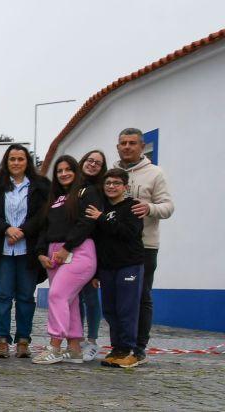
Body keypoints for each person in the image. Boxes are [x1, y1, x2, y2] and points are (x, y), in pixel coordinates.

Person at [0, 144, 50, 358]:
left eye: (20, 159)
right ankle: (1, 340)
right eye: (12, 159)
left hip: (28, 250)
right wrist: (6, 229)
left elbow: (43, 214)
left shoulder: (40, 185)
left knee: (26, 297)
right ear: (6, 161)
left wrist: (23, 231)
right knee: (2, 296)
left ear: (27, 162)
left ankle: (23, 340)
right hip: (2, 250)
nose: (16, 163)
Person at [32, 155, 102, 364]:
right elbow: (45, 227)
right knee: (69, 302)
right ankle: (74, 348)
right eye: (59, 171)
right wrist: (41, 253)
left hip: (79, 251)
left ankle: (54, 346)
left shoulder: (87, 192)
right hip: (53, 253)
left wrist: (67, 247)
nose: (64, 174)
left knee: (57, 295)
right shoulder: (54, 198)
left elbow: (86, 222)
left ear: (76, 170)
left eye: (68, 169)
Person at [114, 127, 173, 365]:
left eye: (132, 143)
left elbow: (168, 207)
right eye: (123, 143)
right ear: (118, 147)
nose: (127, 147)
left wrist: (150, 208)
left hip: (144, 246)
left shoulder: (155, 173)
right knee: (117, 299)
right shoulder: (112, 173)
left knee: (141, 297)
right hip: (115, 246)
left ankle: (139, 348)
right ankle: (120, 346)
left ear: (142, 146)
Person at [85, 169, 145, 368]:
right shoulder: (101, 207)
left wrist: (102, 218)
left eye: (116, 183)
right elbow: (98, 242)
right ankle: (117, 348)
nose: (111, 186)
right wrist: (96, 272)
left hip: (129, 265)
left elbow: (129, 232)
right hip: (107, 268)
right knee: (110, 310)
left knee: (127, 309)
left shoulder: (132, 207)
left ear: (125, 187)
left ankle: (131, 350)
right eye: (108, 183)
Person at [78, 149, 108, 361]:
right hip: (72, 247)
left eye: (98, 163)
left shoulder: (100, 190)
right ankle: (78, 338)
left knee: (90, 296)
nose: (92, 164)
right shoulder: (73, 186)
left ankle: (92, 340)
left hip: (92, 246)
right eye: (90, 160)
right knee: (75, 297)